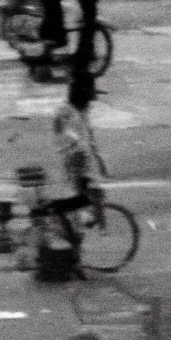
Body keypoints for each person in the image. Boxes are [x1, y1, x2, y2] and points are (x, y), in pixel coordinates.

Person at [38, 70, 105, 247]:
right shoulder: (72, 116)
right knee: (77, 209)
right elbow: (75, 150)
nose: (92, 102)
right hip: (66, 174)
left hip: (66, 171)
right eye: (90, 97)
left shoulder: (69, 112)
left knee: (76, 213)